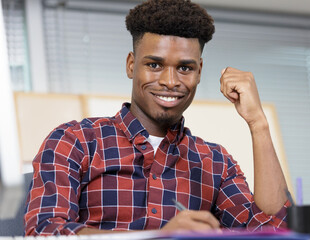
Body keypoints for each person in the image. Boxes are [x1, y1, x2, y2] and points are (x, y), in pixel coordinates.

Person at [24, 0, 290, 236]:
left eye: (184, 68)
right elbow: (44, 230)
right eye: (154, 65)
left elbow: (271, 231)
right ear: (131, 65)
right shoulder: (75, 141)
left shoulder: (216, 164)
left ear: (199, 73)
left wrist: (258, 123)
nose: (170, 81)